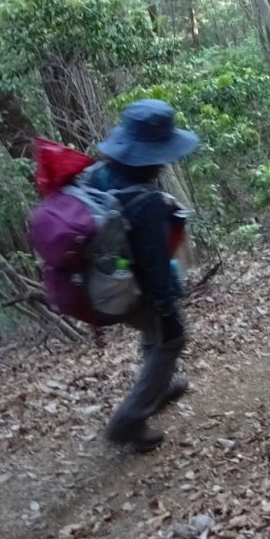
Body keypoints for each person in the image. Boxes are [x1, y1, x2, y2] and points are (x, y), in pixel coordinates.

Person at [89, 99, 198, 452]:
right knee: (171, 339)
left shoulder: (97, 175)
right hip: (136, 287)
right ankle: (129, 421)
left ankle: (161, 386)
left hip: (103, 283)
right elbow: (153, 264)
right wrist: (167, 307)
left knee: (155, 335)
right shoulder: (145, 202)